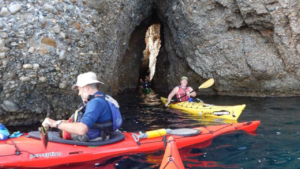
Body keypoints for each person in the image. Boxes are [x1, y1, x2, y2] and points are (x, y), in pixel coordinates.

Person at [42, 72, 113, 141]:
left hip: (92, 140)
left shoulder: (95, 103)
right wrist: (62, 122)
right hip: (100, 135)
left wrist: (55, 124)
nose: (79, 94)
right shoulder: (102, 98)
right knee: (61, 126)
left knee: (59, 129)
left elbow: (82, 129)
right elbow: (91, 122)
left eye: (79, 89)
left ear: (86, 87)